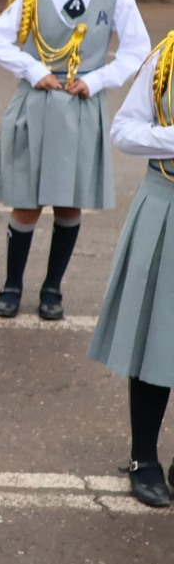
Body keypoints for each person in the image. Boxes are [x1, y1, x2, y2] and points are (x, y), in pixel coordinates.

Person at [0, 0, 147, 322]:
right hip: (35, 104)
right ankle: (12, 285)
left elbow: (136, 51)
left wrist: (97, 79)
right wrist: (33, 69)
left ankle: (52, 287)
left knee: (69, 205)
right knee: (26, 203)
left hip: (80, 107)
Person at [94, 28, 174, 506]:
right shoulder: (168, 57)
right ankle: (144, 457)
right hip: (167, 204)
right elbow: (124, 129)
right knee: (156, 335)